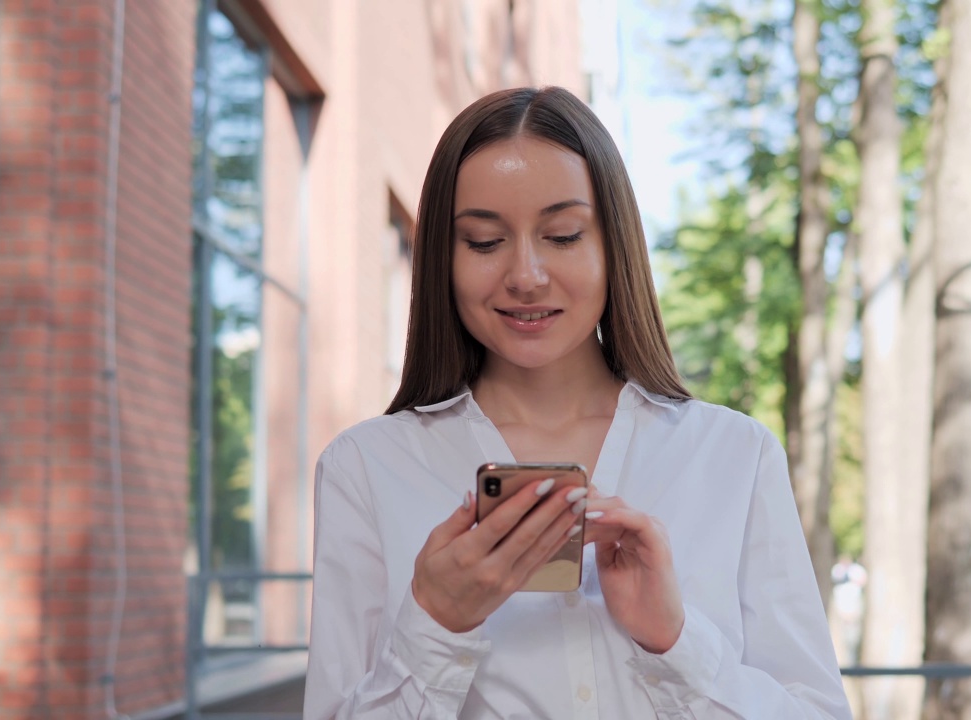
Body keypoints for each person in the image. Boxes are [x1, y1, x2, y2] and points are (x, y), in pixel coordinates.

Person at [304, 86, 851, 720]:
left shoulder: (734, 455)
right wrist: (433, 627)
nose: (526, 275)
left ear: (613, 245)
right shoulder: (366, 468)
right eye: (483, 242)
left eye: (563, 235)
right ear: (441, 261)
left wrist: (674, 641)